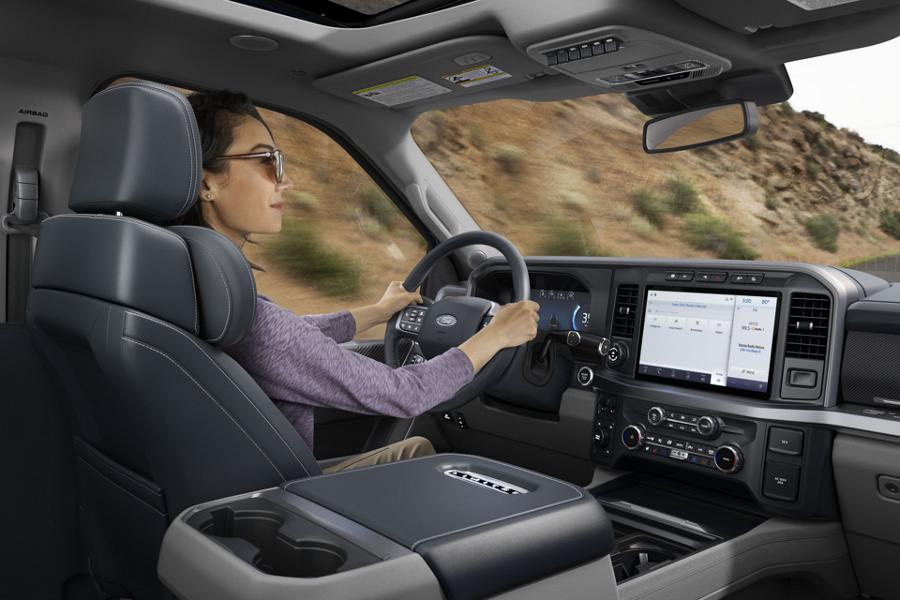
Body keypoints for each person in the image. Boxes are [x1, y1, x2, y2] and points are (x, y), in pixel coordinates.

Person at [178, 90, 540, 472]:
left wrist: (375, 313)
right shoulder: (242, 311)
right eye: (267, 161)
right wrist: (496, 335)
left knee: (411, 449)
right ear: (207, 184)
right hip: (277, 502)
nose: (285, 182)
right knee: (424, 460)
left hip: (230, 491)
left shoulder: (189, 281)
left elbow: (285, 338)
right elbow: (406, 394)